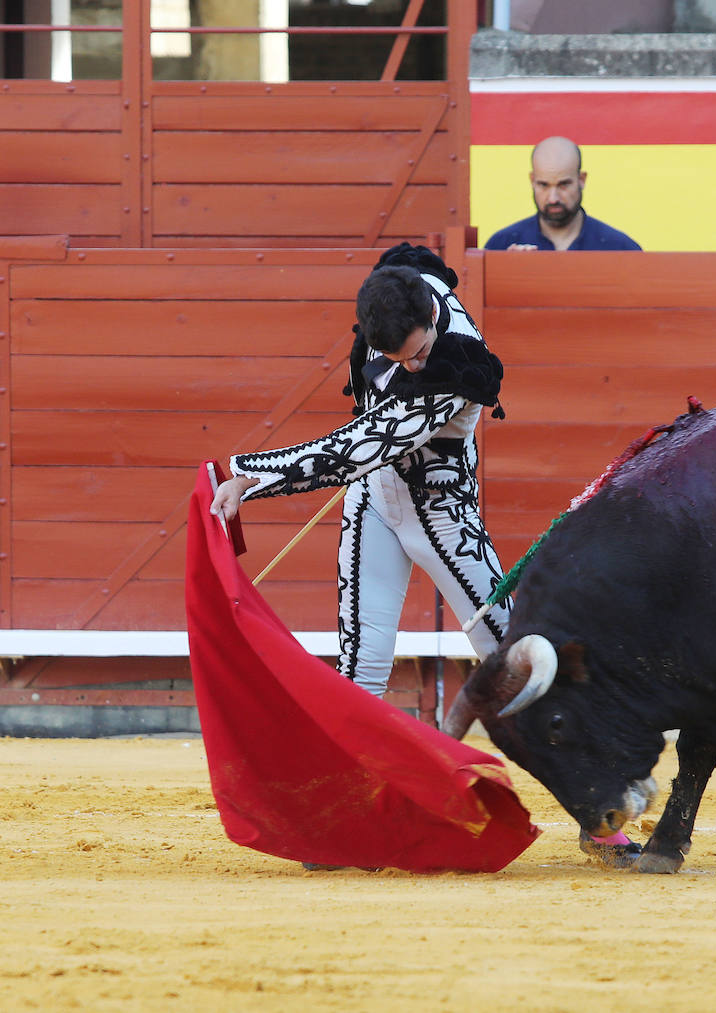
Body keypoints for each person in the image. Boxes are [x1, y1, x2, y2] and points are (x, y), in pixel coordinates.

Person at [210, 242, 641, 867]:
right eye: (395, 358)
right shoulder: (394, 303)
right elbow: (365, 435)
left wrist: (252, 475)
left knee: (514, 659)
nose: (410, 367)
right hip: (376, 502)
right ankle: (343, 820)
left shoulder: (457, 362)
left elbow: (361, 445)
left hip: (442, 514)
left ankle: (599, 811)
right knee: (361, 667)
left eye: (416, 354)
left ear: (433, 324)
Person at [484, 136, 642, 251]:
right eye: (543, 185)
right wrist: (506, 270)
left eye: (563, 185)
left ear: (582, 179)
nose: (553, 198)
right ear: (532, 180)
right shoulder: (501, 246)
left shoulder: (620, 249)